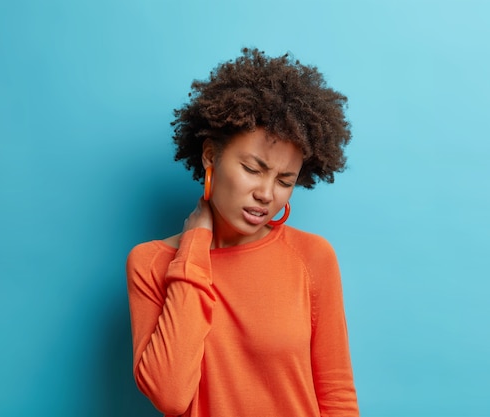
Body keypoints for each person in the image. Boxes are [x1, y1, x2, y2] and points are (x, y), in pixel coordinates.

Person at [126, 48, 360, 416]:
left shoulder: (312, 257)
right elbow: (170, 395)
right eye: (253, 169)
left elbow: (337, 394)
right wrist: (194, 248)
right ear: (209, 156)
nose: (267, 194)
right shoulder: (151, 264)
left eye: (285, 180)